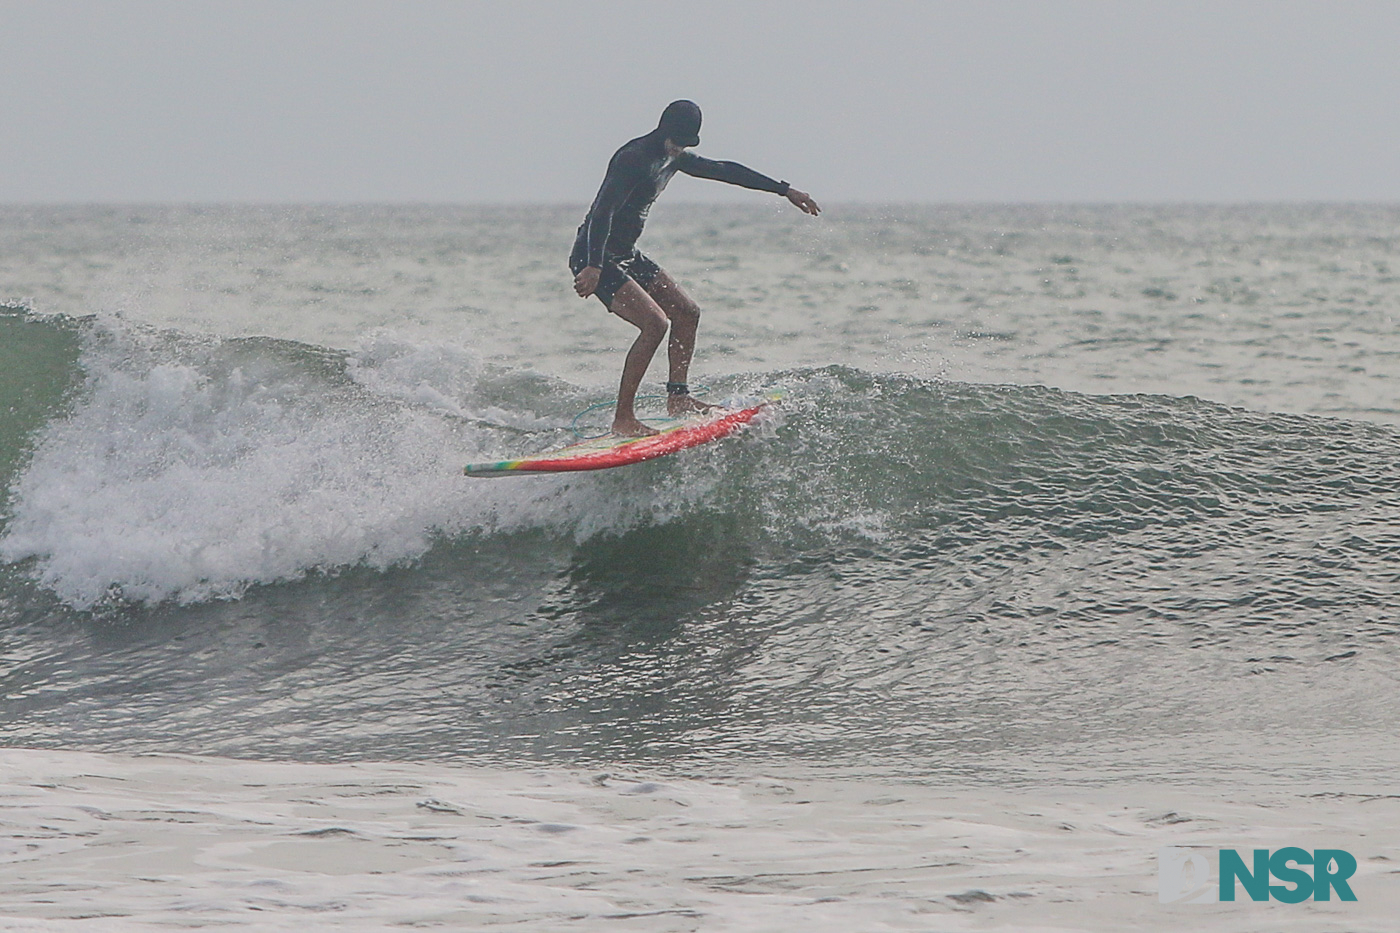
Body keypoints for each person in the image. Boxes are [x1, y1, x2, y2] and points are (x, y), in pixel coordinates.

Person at [570, 100, 821, 436]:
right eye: (677, 142)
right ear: (664, 131)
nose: (680, 149)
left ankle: (679, 399)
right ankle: (623, 418)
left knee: (687, 312)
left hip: (626, 252)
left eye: (686, 144)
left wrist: (784, 189)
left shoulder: (674, 157)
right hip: (595, 254)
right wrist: (594, 266)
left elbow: (724, 170)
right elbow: (601, 212)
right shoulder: (633, 158)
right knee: (655, 324)